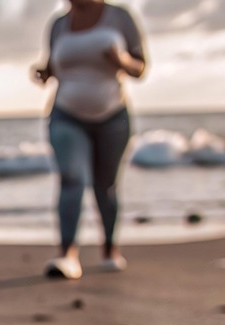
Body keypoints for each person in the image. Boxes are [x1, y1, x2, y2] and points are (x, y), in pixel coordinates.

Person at [33, 0, 147, 280]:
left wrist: (121, 61)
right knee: (72, 178)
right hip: (66, 114)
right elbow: (53, 67)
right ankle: (67, 254)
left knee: (105, 186)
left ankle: (109, 249)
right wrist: (43, 73)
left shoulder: (119, 17)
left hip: (113, 115)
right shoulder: (59, 24)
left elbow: (140, 68)